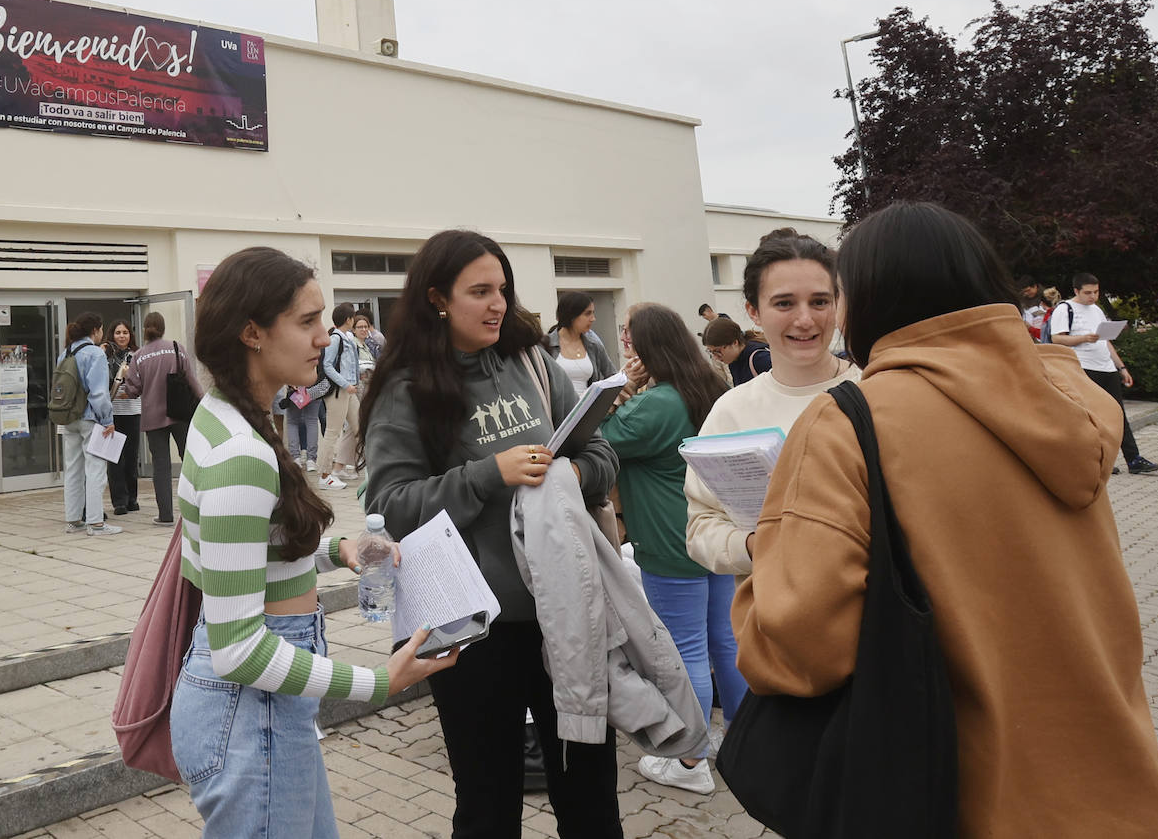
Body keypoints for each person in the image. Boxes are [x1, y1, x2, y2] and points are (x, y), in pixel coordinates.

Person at [731, 200, 1158, 837]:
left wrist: (763, 567)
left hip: (970, 791)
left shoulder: (847, 423)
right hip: (1119, 782)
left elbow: (800, 648)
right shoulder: (1066, 390)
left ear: (869, 300)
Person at [168, 246, 454, 838]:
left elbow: (249, 552)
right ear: (252, 332)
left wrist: (339, 550)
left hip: (261, 712)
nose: (326, 336)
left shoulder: (229, 414)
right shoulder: (240, 452)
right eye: (307, 321)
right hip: (250, 714)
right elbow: (240, 649)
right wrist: (377, 682)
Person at [360, 229, 623, 839]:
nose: (498, 304)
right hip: (471, 631)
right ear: (437, 299)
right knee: (488, 806)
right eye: (479, 291)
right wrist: (486, 474)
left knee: (589, 799)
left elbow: (602, 455)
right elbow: (391, 506)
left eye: (501, 289)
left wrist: (569, 474)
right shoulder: (407, 390)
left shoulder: (532, 363)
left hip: (565, 616)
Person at [599, 302, 734, 795]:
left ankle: (690, 760)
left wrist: (623, 385)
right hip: (716, 533)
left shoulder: (655, 403)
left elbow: (596, 438)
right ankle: (739, 742)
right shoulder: (711, 386)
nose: (626, 347)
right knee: (726, 643)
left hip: (669, 539)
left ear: (649, 346)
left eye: (630, 340)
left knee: (684, 652)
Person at [685, 230, 858, 576]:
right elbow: (701, 525)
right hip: (776, 617)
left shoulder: (876, 388)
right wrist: (754, 545)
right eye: (784, 303)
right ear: (754, 311)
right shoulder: (731, 410)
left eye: (820, 301)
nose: (805, 319)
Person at [1049, 273, 1158, 474]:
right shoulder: (1065, 309)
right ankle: (1097, 460)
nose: (1092, 296)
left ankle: (1133, 458)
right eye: (1088, 293)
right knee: (1091, 416)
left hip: (1106, 367)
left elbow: (1106, 341)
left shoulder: (1097, 310)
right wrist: (1083, 338)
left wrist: (1121, 367)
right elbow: (1057, 339)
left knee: (1117, 414)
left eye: (1096, 292)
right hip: (1082, 367)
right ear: (1076, 291)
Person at [124, 312, 205, 525]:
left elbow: (133, 390)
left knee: (161, 466)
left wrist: (124, 378)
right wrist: (205, 402)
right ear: (163, 327)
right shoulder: (177, 348)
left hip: (153, 417)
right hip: (179, 413)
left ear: (145, 329)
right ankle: (199, 509)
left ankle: (166, 515)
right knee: (190, 460)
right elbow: (191, 380)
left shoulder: (139, 356)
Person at [58, 312, 123, 537]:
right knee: (95, 469)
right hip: (90, 417)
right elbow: (99, 393)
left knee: (73, 469)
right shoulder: (94, 354)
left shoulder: (65, 353)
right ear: (95, 330)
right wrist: (108, 420)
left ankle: (73, 520)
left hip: (69, 417)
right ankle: (96, 523)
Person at [316, 302, 361, 489]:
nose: (354, 321)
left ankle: (340, 467)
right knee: (332, 432)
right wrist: (345, 384)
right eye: (353, 318)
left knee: (359, 428)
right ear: (348, 319)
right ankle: (324, 476)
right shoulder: (335, 338)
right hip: (338, 392)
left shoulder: (348, 337)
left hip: (349, 391)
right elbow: (327, 365)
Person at [103, 320, 142, 517]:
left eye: (125, 332)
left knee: (131, 457)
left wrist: (130, 379)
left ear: (130, 335)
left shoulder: (137, 355)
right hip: (113, 413)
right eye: (118, 332)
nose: (121, 336)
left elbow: (144, 382)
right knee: (115, 458)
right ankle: (119, 501)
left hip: (133, 411)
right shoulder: (105, 356)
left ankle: (132, 498)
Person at [543, 291, 616, 393]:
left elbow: (612, 376)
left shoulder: (594, 345)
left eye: (593, 313)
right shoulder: (545, 345)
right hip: (558, 407)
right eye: (587, 314)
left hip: (589, 407)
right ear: (571, 315)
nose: (593, 319)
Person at [700, 317, 771, 387]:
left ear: (734, 343)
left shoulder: (760, 359)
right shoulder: (734, 362)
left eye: (717, 351)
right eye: (711, 352)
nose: (715, 357)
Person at [351, 314, 378, 394]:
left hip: (369, 387)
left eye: (366, 327)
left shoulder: (368, 346)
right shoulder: (352, 345)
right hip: (358, 389)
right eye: (360, 327)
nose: (364, 329)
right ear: (353, 330)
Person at [1016, 274, 1045, 339]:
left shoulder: (1046, 296)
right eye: (1024, 292)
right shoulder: (1022, 301)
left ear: (1035, 286)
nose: (1026, 293)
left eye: (1028, 290)